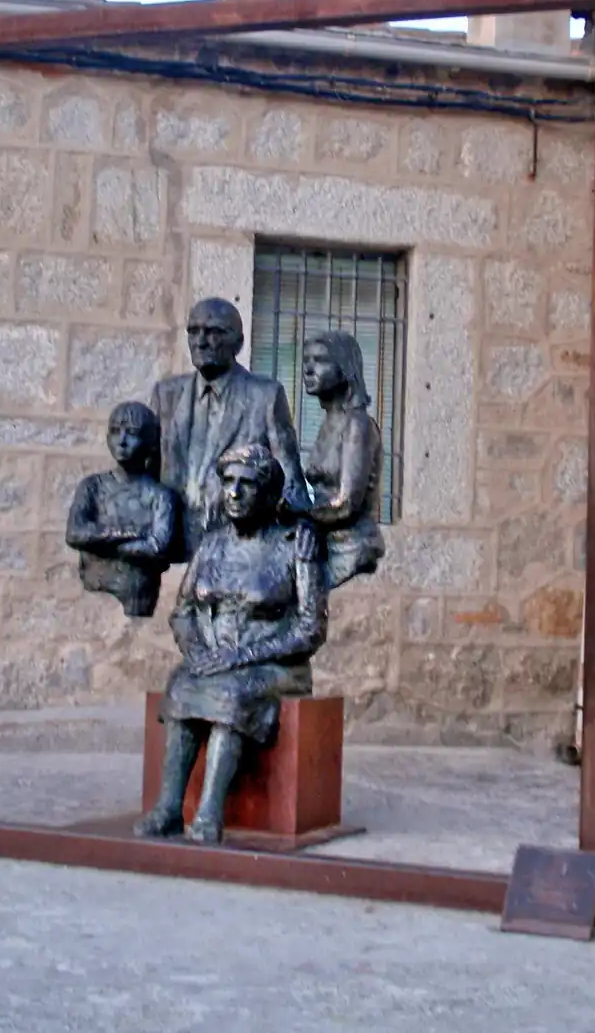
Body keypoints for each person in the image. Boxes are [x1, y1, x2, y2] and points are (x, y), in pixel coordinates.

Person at [135, 443, 327, 844]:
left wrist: (243, 656)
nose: (234, 493)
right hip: (215, 661)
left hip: (275, 666)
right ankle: (169, 808)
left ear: (269, 494)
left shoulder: (295, 546)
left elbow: (311, 627)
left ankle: (209, 812)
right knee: (182, 684)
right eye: (228, 482)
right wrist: (197, 653)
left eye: (247, 484)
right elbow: (183, 611)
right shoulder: (213, 544)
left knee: (231, 693)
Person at [151, 297, 307, 562]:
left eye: (214, 332)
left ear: (239, 342)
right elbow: (144, 473)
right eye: (194, 331)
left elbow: (291, 481)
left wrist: (301, 528)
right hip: (171, 546)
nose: (201, 341)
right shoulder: (166, 395)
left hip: (236, 549)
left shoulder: (265, 397)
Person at [63, 402, 177, 617]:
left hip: (135, 596)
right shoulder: (93, 486)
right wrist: (127, 535)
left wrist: (101, 543)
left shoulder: (160, 496)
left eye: (131, 433)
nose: (122, 441)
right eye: (115, 431)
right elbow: (75, 533)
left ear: (149, 442)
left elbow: (157, 546)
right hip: (93, 592)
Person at [298, 329, 385, 589]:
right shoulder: (329, 423)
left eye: (320, 360)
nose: (308, 369)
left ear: (345, 368)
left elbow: (346, 504)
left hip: (350, 545)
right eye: (306, 360)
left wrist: (297, 514)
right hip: (324, 539)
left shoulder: (357, 425)